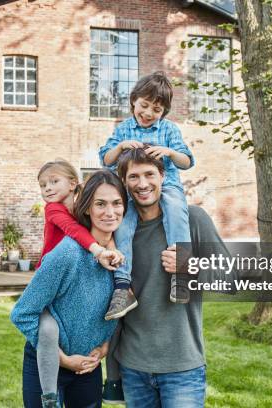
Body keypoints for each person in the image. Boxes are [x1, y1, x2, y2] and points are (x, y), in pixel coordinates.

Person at [112, 147, 234, 407]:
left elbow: (231, 279)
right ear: (124, 181)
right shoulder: (118, 229)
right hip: (133, 366)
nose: (142, 184)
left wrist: (191, 266)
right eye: (134, 177)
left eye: (149, 174)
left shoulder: (193, 220)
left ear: (163, 176)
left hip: (182, 367)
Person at [10, 169, 127, 408]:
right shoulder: (68, 253)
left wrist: (105, 346)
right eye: (100, 204)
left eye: (117, 203)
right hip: (47, 363)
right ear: (86, 208)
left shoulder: (123, 258)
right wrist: (61, 359)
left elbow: (121, 308)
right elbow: (22, 313)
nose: (110, 212)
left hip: (88, 367)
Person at [99, 71, 195, 322]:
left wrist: (170, 152)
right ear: (133, 101)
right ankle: (122, 286)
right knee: (124, 225)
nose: (149, 113)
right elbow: (106, 160)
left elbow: (186, 162)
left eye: (157, 109)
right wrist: (119, 147)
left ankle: (181, 274)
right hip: (130, 191)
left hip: (169, 185)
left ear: (164, 112)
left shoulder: (169, 130)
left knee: (176, 211)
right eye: (144, 105)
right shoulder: (123, 129)